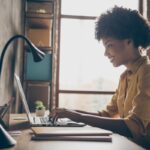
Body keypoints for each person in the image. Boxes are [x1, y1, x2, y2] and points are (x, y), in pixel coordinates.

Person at [51, 6, 150, 148]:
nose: (106, 53)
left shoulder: (147, 72)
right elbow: (106, 115)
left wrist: (77, 117)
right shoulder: (125, 77)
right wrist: (68, 112)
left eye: (109, 45)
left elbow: (133, 126)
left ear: (129, 41)